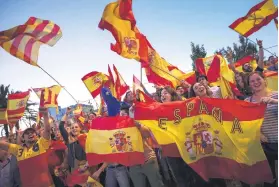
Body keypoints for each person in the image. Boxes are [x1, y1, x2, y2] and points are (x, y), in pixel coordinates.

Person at [0, 107, 53, 187]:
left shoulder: (41, 144)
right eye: (27, 133)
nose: (30, 134)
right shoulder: (18, 150)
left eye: (32, 132)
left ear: (36, 136)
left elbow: (47, 131)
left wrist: (45, 115)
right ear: (23, 138)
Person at [245, 71, 278, 187]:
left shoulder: (276, 95)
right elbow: (245, 124)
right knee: (270, 179)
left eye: (258, 79)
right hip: (263, 146)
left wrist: (275, 102)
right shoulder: (247, 102)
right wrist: (257, 134)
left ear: (264, 80)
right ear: (249, 85)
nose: (256, 82)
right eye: (252, 81)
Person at [128, 106, 164, 187]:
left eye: (124, 114)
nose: (122, 115)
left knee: (157, 184)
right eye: (121, 114)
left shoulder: (138, 125)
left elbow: (147, 133)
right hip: (133, 165)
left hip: (148, 160)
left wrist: (139, 126)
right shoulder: (119, 131)